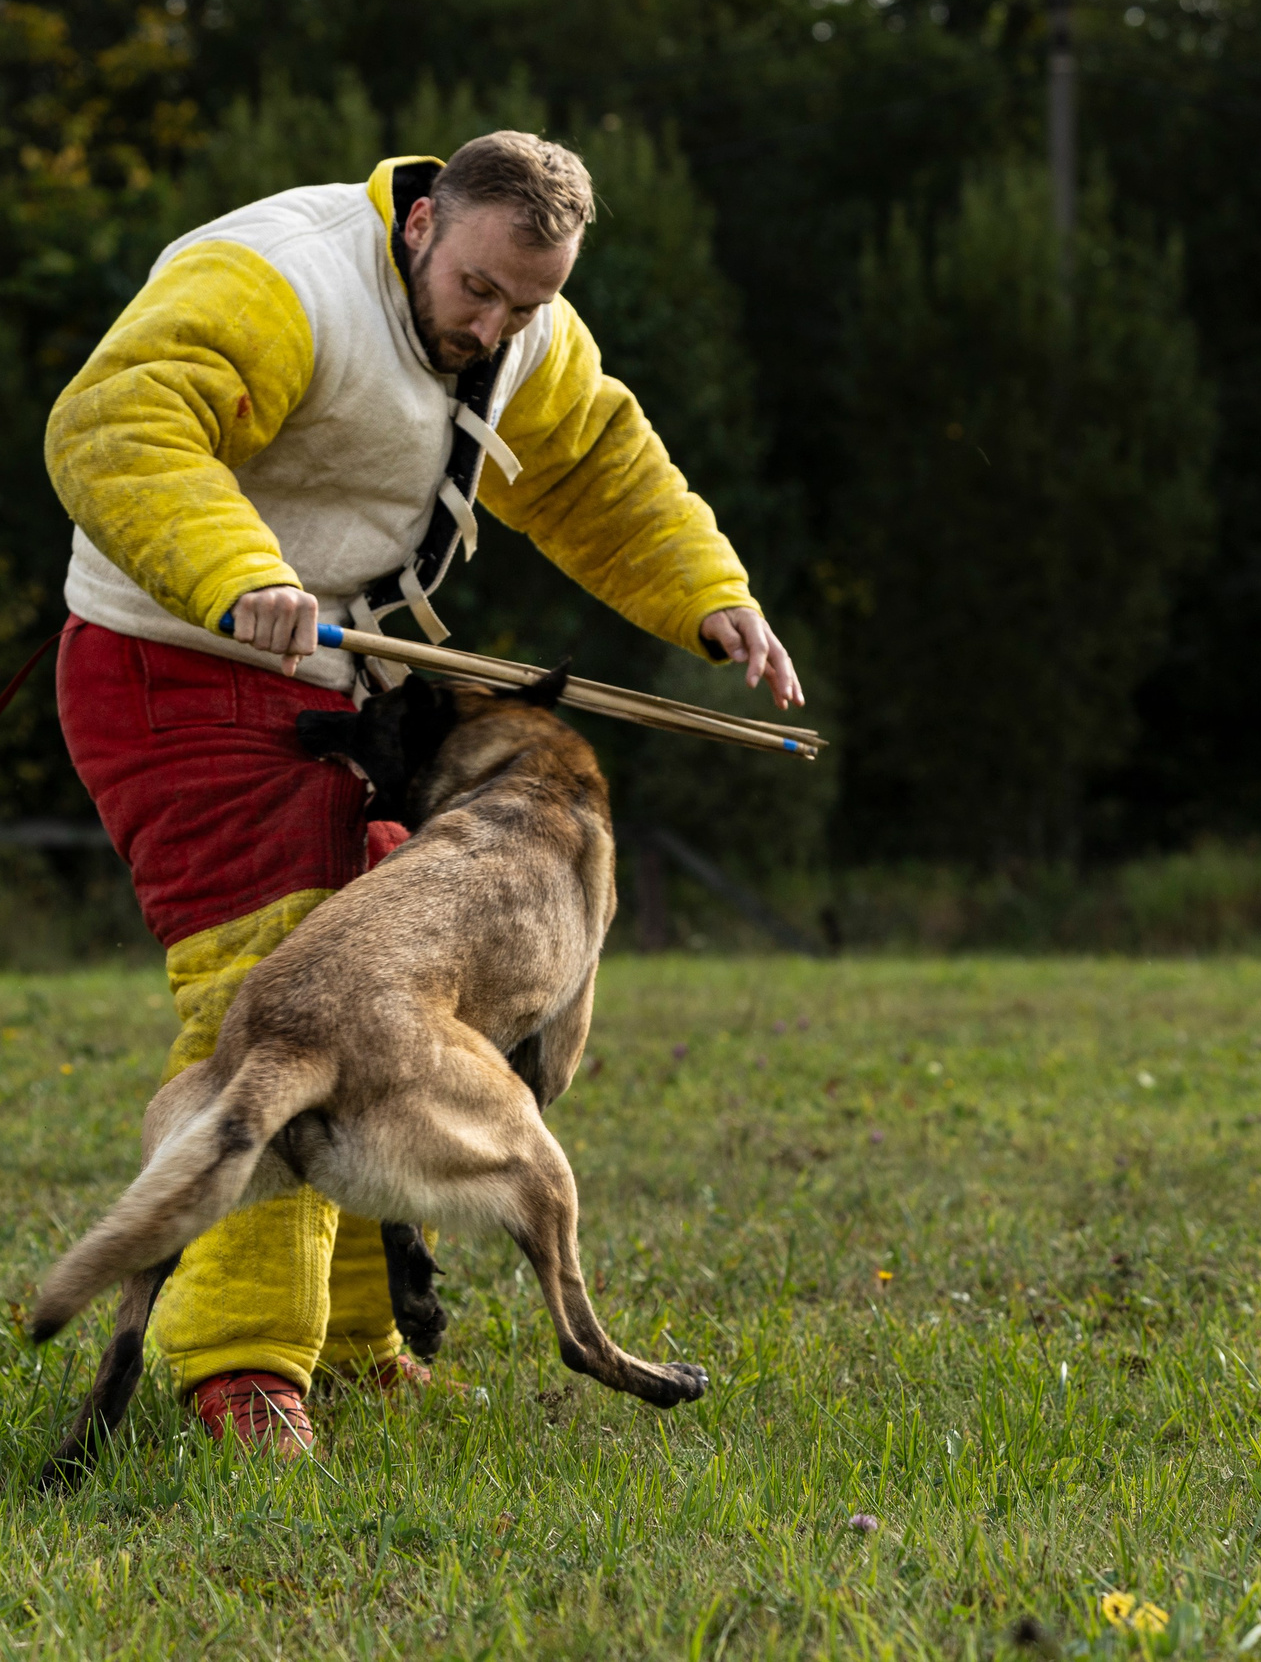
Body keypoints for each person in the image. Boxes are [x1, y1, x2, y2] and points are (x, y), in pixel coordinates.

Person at [41, 132, 800, 1454]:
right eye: (481, 290)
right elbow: (117, 422)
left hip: (339, 672)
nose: (498, 322)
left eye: (531, 299)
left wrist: (710, 595)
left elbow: (591, 469)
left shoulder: (528, 329)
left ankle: (348, 1345)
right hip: (169, 664)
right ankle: (237, 1370)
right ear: (421, 225)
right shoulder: (279, 279)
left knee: (363, 1010)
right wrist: (237, 573)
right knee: (266, 994)